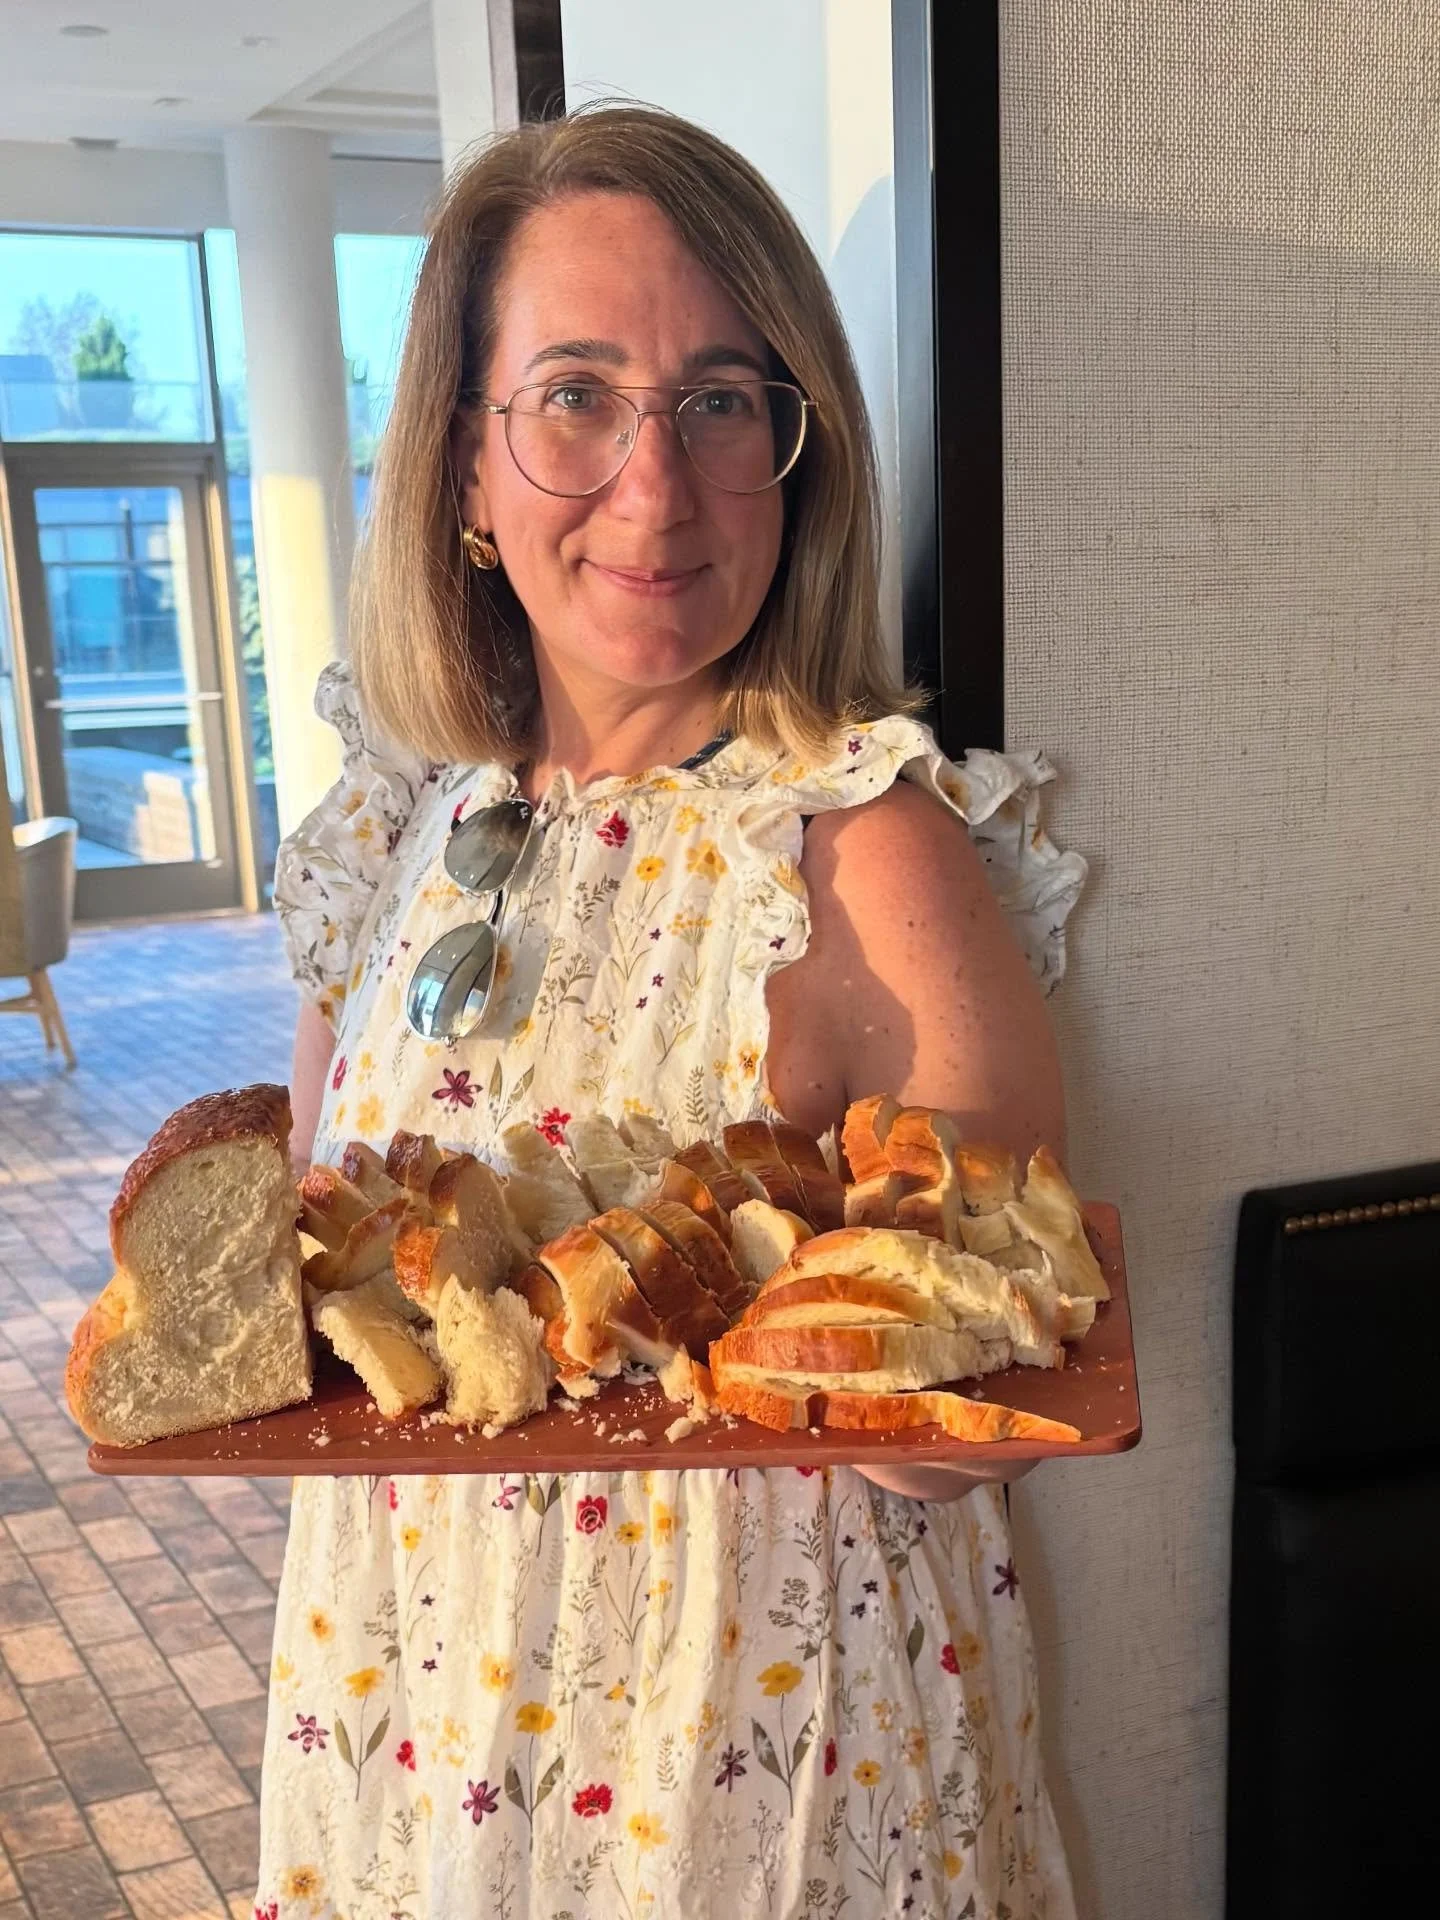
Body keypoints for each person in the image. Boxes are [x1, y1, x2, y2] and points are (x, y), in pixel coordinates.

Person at [257, 104, 1085, 1920]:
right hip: (404, 1699)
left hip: (746, 1756)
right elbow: (326, 1268)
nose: (657, 485)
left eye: (722, 398)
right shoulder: (399, 821)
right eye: (573, 394)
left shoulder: (871, 852)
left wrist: (883, 1355)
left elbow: (1000, 1397)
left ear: (799, 452)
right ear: (463, 471)